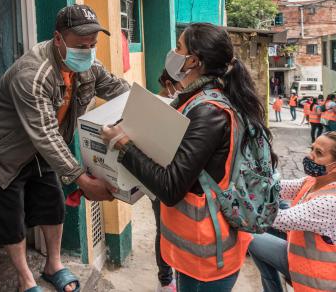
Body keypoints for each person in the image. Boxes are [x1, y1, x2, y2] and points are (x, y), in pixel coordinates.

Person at [101, 23, 277, 292]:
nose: (173, 52)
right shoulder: (201, 98)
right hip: (194, 251)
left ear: (193, 60)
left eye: (179, 47)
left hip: (205, 259)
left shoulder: (208, 111)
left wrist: (122, 145)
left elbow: (171, 187)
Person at [0, 4, 129, 292]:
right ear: (58, 39)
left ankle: (53, 265)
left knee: (52, 202)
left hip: (40, 143)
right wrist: (81, 178)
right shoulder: (32, 74)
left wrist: (159, 111)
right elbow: (44, 133)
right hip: (1, 148)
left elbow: (119, 90)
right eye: (81, 45)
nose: (89, 52)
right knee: (12, 216)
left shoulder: (87, 66)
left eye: (93, 45)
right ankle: (25, 279)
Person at [249, 132, 336, 292]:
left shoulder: (330, 202)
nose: (310, 156)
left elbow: (274, 218)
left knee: (247, 237)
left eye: (319, 153)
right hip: (304, 256)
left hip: (319, 275)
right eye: (312, 149)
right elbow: (276, 188)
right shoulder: (312, 182)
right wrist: (249, 182)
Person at [149, 69, 187, 292]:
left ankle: (180, 276)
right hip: (158, 178)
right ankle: (165, 279)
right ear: (167, 83)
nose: (183, 87)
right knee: (163, 229)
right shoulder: (153, 106)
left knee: (181, 230)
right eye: (180, 83)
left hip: (180, 177)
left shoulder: (186, 103)